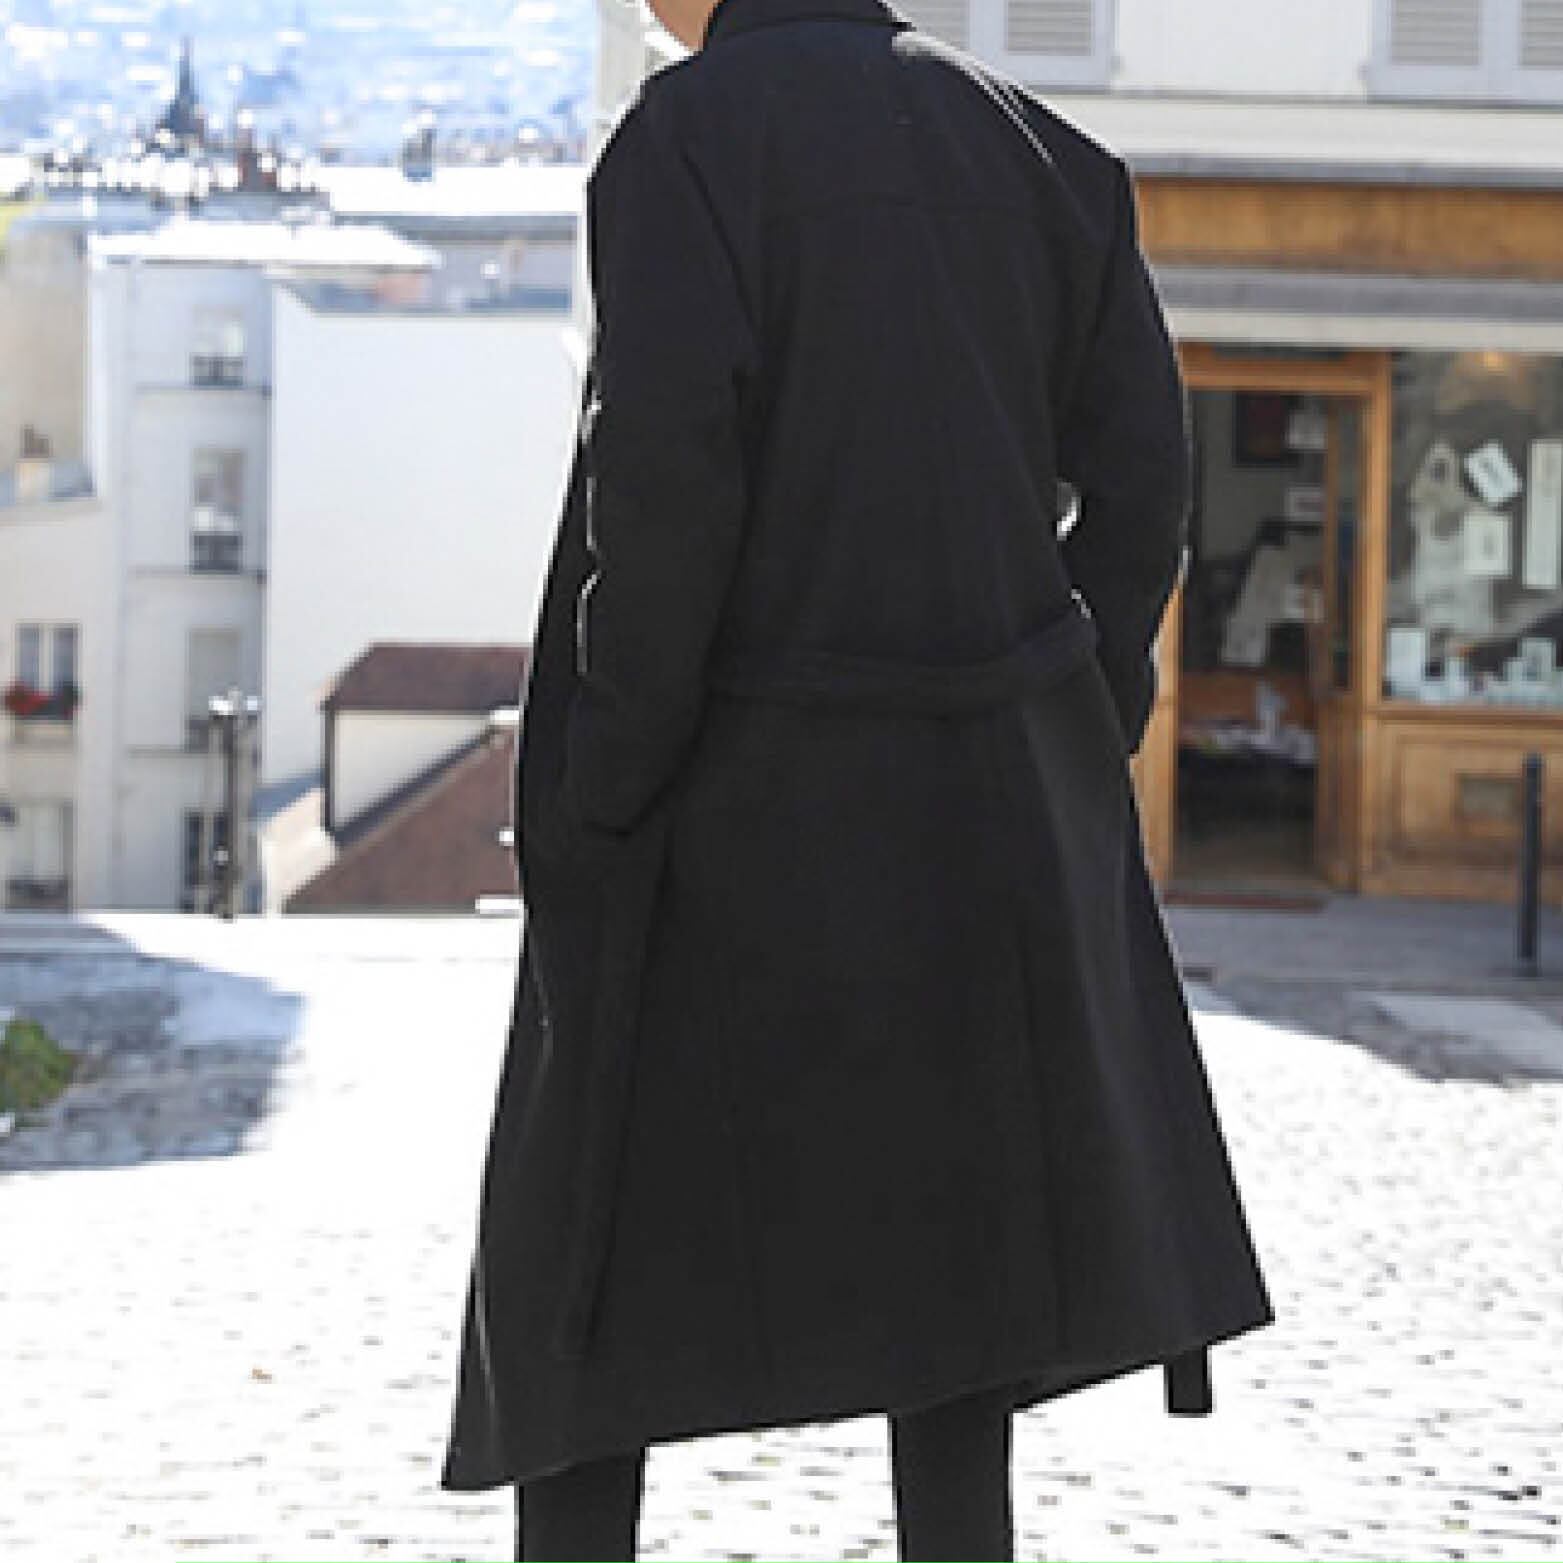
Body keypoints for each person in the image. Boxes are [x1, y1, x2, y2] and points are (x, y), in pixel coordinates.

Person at [439, 0, 1277, 1554]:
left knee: (589, 1276)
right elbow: (1148, 479)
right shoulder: (1045, 154)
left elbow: (666, 481)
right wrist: (1066, 711)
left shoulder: (684, 140)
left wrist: (609, 776)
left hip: (723, 806)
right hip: (985, 815)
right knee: (958, 1301)